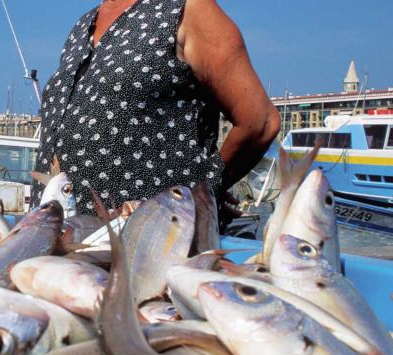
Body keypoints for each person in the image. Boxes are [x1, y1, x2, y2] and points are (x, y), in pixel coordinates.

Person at [31, 0, 280, 227]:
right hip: (59, 241)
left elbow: (260, 122)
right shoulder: (84, 25)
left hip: (149, 244)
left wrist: (205, 190)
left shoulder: (188, 10)